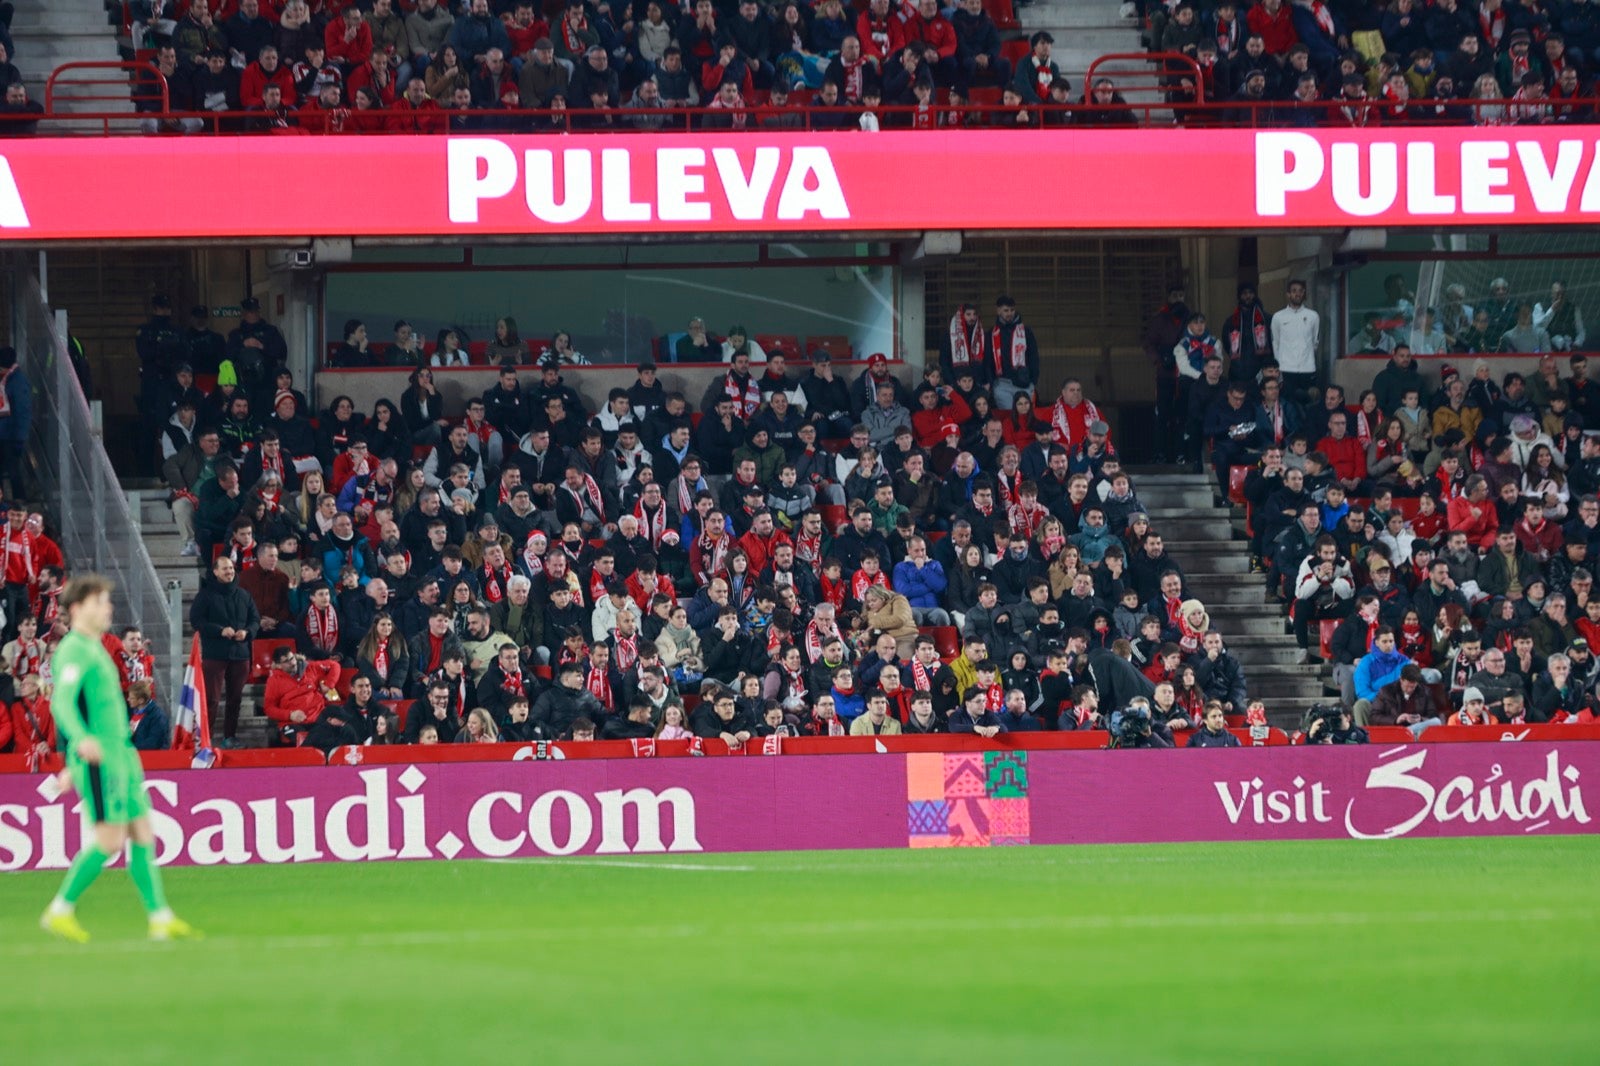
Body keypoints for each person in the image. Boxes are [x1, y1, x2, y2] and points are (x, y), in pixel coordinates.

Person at [40, 575, 198, 944]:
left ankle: (160, 917)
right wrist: (80, 742)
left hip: (122, 755)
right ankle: (60, 909)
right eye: (100, 602)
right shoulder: (74, 649)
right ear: (78, 609)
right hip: (101, 759)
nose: (108, 608)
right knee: (110, 840)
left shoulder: (98, 647)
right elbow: (62, 701)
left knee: (142, 833)